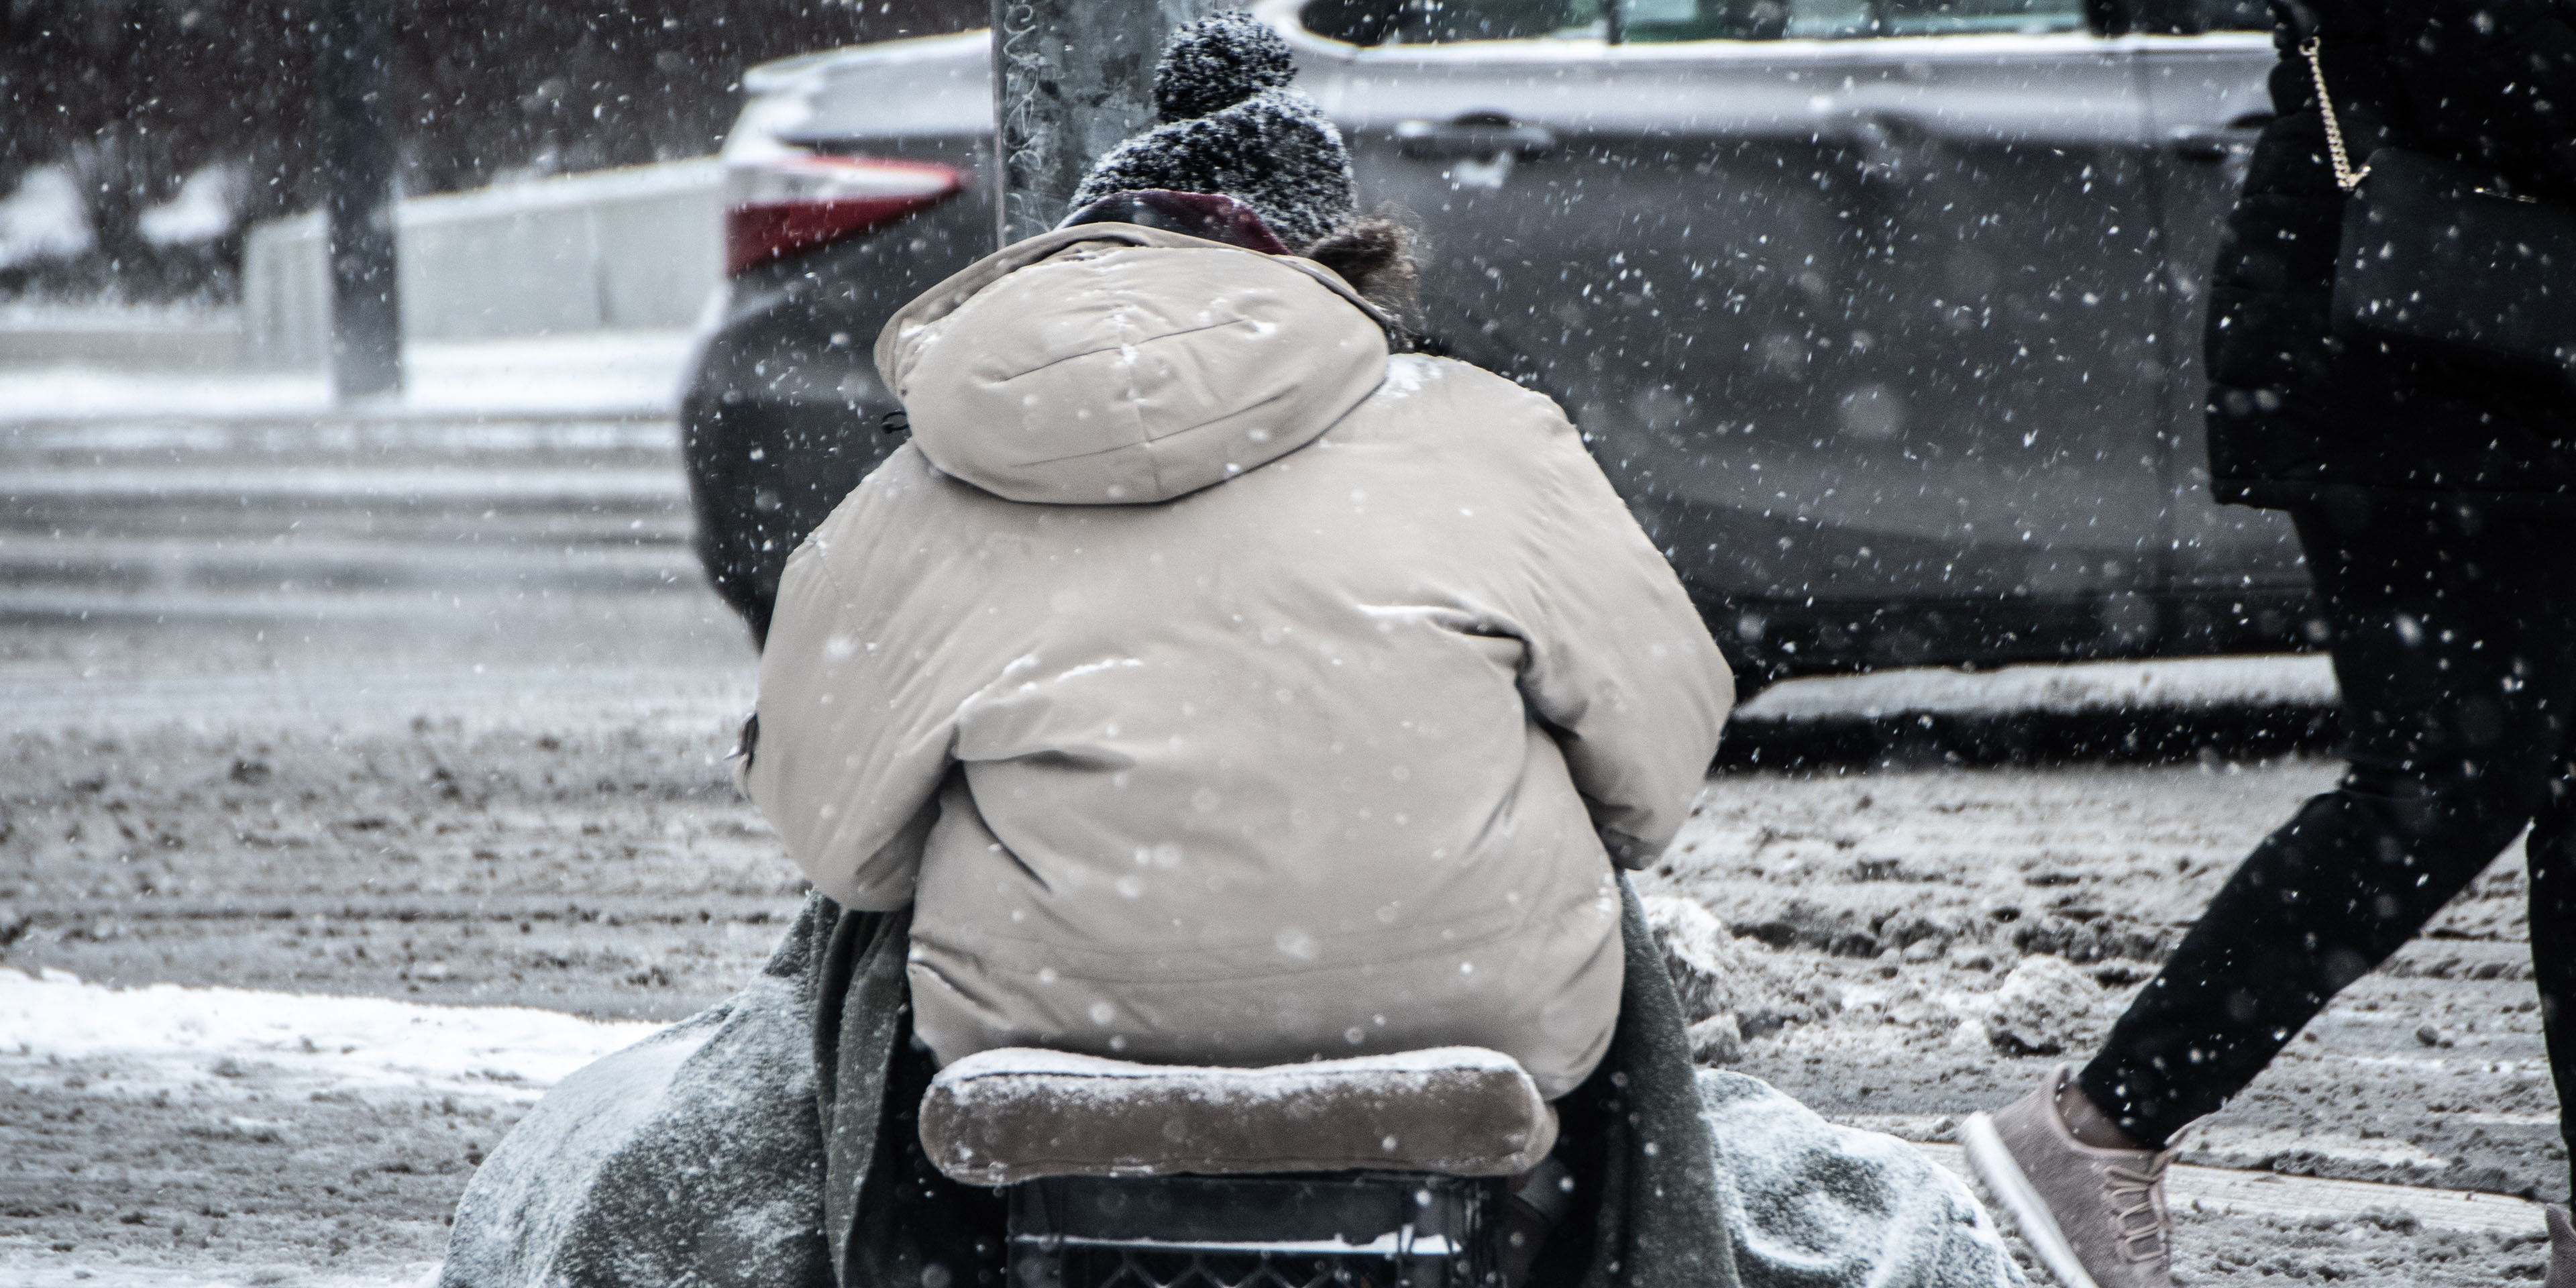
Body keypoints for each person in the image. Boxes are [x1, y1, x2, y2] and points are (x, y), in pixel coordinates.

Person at [739, 9, 1731, 1113]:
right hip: (1486, 1014)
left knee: (863, 937)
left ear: (1079, 257)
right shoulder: (1492, 434)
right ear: (1339, 260)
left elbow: (838, 845)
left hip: (1037, 1031)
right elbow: (1655, 769)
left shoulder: (924, 484)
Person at [1964, 0, 2576, 1285]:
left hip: (2502, 337)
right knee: (2446, 780)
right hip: (2417, 341)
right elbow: (2501, 66)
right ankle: (2096, 1129)